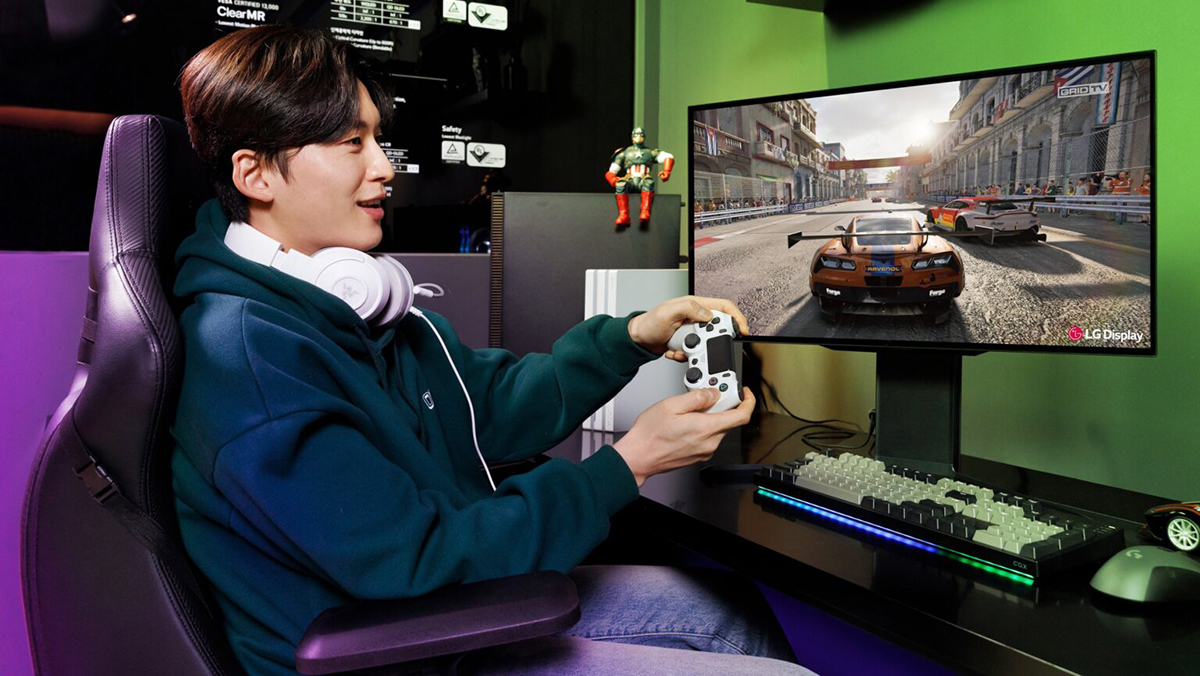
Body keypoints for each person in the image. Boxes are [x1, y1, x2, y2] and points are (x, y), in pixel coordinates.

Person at [173, 26, 809, 676]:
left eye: (375, 138)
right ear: (254, 174)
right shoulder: (251, 361)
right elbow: (421, 560)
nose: (384, 167)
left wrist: (632, 336)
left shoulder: (347, 308)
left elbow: (492, 404)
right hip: (390, 652)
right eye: (350, 143)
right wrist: (629, 464)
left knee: (731, 612)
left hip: (436, 614)